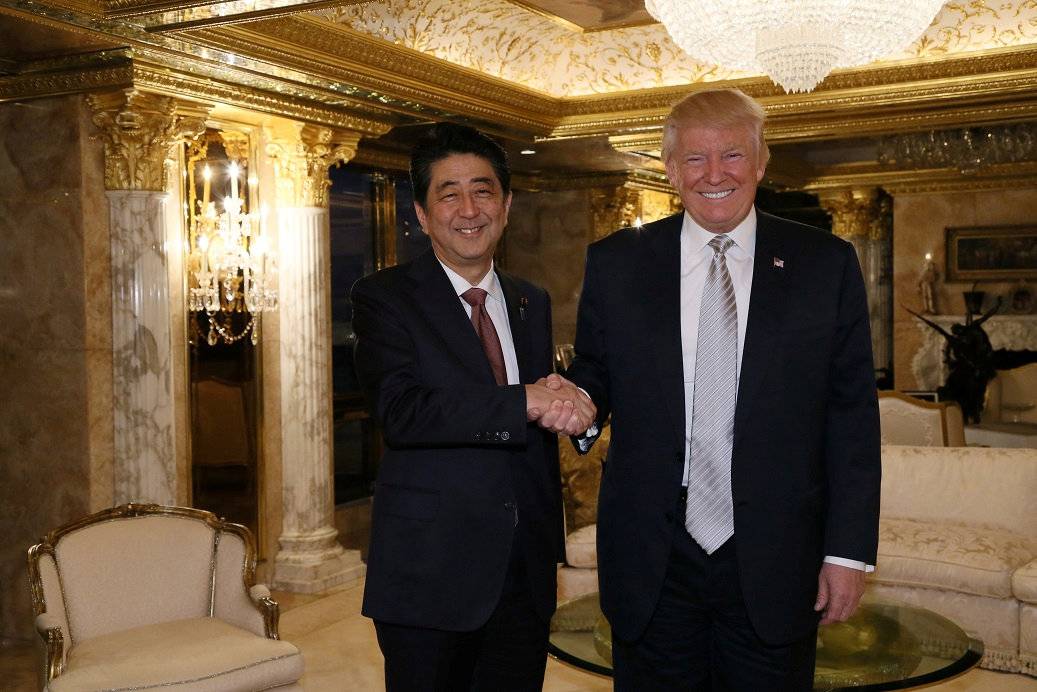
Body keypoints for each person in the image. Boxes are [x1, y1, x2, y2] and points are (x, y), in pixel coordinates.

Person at [562, 88, 881, 690]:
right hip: (654, 552)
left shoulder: (824, 263)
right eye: (694, 159)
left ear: (761, 162)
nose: (715, 175)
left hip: (776, 552)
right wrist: (581, 400)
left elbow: (852, 417)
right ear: (669, 168)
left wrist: (847, 552)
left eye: (732, 155)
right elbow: (597, 370)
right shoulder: (616, 262)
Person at [351, 122, 595, 692]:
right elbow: (402, 410)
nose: (469, 208)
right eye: (449, 192)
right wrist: (524, 402)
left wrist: (570, 407)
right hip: (429, 569)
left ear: (506, 205)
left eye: (483, 191)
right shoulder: (384, 297)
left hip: (524, 569)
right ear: (421, 211)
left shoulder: (530, 298)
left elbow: (531, 412)